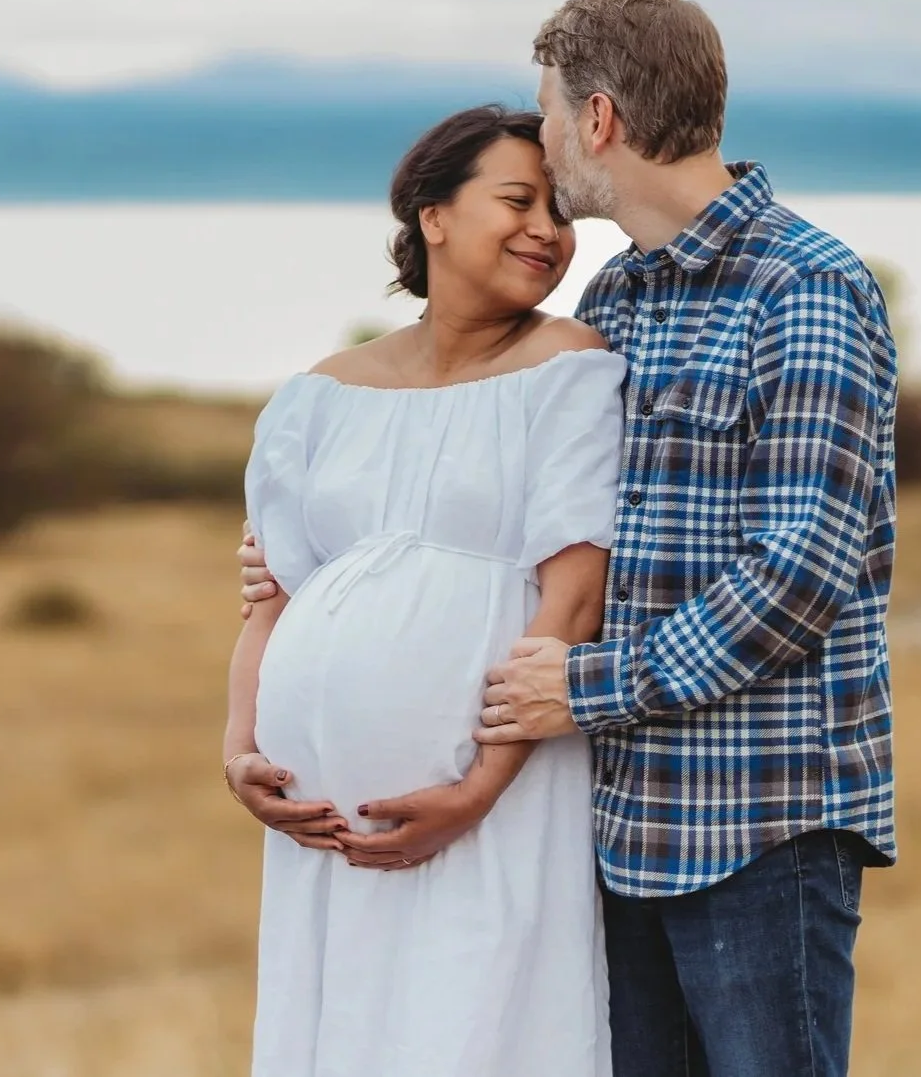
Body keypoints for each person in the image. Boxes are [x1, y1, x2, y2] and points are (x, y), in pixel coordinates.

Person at [241, 0, 898, 1077]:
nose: (545, 142)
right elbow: (543, 497)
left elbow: (799, 568)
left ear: (597, 120)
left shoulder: (805, 286)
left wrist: (583, 688)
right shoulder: (627, 299)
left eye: (549, 114)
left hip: (756, 813)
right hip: (616, 817)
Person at [223, 104, 623, 1077]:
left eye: (561, 211)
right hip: (325, 826)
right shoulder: (318, 394)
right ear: (432, 215)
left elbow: (571, 600)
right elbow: (271, 599)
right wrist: (238, 751)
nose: (548, 230)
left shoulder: (568, 368)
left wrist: (475, 789)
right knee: (347, 1034)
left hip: (491, 799)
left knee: (478, 1026)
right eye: (517, 200)